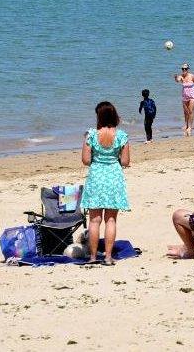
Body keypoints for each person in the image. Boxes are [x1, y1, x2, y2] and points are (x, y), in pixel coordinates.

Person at [81, 101, 131, 265]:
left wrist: (98, 158)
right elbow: (125, 161)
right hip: (114, 177)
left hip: (96, 177)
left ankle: (93, 257)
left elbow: (86, 160)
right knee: (111, 220)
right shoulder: (121, 136)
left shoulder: (91, 135)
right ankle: (108, 257)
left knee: (94, 220)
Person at [174, 63, 194, 136]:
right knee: (185, 112)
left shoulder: (191, 76)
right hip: (185, 95)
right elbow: (178, 80)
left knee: (190, 110)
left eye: (185, 69)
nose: (184, 70)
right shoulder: (181, 76)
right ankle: (186, 125)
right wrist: (175, 78)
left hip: (192, 95)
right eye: (183, 69)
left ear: (188, 69)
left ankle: (190, 127)